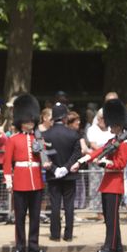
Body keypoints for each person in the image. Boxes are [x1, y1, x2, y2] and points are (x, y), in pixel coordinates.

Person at [70, 99, 127, 252]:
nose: (110, 127)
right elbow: (97, 152)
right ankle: (117, 245)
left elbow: (120, 164)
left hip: (115, 185)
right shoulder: (113, 141)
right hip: (108, 184)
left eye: (113, 125)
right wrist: (81, 161)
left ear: (119, 125)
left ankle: (109, 246)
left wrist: (104, 163)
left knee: (111, 219)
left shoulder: (124, 144)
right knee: (111, 218)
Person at [3, 94, 47, 252]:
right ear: (20, 122)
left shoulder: (39, 138)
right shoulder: (13, 139)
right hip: (20, 180)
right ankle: (20, 245)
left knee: (35, 216)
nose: (30, 123)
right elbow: (7, 162)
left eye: (32, 121)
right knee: (20, 216)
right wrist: (8, 180)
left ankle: (33, 245)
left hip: (36, 180)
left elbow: (44, 157)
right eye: (27, 121)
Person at [43, 103, 81, 241]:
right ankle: (68, 235)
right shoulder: (73, 134)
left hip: (53, 175)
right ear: (65, 117)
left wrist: (55, 169)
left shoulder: (46, 134)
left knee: (55, 206)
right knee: (69, 206)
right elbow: (77, 154)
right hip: (69, 174)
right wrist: (66, 168)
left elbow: (45, 155)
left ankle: (55, 234)